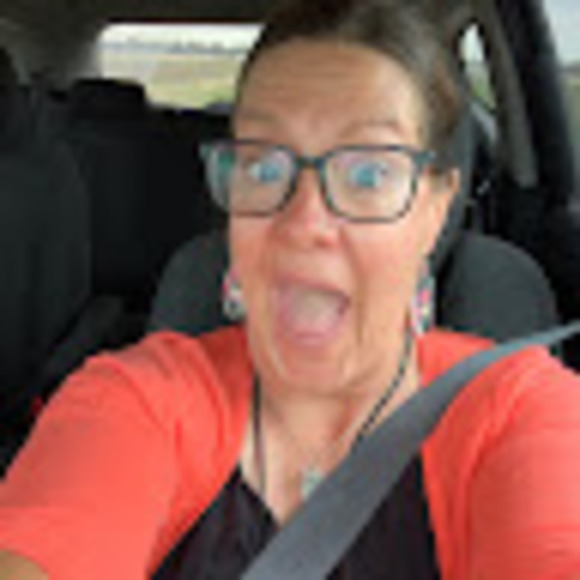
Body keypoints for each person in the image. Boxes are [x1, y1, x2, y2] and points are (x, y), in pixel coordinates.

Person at [1, 0, 580, 578]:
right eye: (264, 165)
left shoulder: (516, 407)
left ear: (435, 209)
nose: (304, 223)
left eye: (368, 173)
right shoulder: (136, 398)